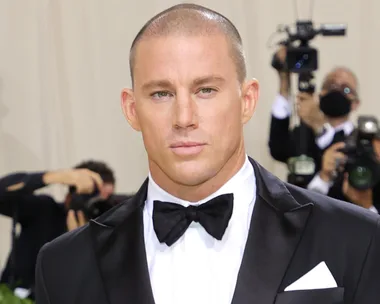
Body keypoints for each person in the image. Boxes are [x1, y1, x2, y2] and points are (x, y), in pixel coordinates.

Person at [35, 4, 380, 304]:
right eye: (161, 94)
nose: (184, 118)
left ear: (247, 101)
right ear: (131, 109)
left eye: (205, 90)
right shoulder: (65, 266)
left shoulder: (356, 239)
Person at [0, 160, 116, 299]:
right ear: (69, 196)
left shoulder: (109, 234)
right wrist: (55, 177)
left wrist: (82, 242)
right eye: (92, 198)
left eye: (103, 202)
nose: (96, 207)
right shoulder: (45, 212)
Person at [269, 46, 359, 187]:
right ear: (320, 94)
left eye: (346, 89)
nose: (336, 91)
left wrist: (319, 127)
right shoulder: (303, 134)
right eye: (330, 85)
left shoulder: (361, 142)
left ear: (355, 103)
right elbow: (277, 148)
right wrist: (284, 82)